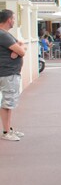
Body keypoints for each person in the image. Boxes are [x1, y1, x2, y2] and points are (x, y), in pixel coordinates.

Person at [0, 9, 26, 141]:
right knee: (7, 102)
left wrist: (18, 50)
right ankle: (6, 131)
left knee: (8, 102)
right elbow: (22, 50)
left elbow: (21, 46)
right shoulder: (3, 35)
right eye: (14, 18)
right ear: (9, 19)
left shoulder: (6, 35)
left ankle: (8, 128)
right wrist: (19, 51)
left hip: (9, 73)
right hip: (7, 73)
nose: (14, 21)